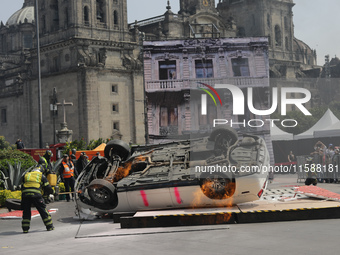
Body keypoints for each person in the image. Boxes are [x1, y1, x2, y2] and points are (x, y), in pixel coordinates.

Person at [21, 166, 54, 233]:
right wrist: (54, 192)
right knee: (42, 210)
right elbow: (47, 187)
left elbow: (22, 186)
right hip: (36, 195)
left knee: (26, 211)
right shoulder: (41, 176)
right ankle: (49, 226)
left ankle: (25, 229)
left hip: (25, 195)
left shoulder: (26, 174)